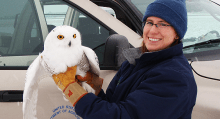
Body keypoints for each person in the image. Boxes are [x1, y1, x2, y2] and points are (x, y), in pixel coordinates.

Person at [52, 0, 197, 118]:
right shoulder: (135, 61)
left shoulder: (174, 77)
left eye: (163, 24)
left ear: (177, 33)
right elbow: (112, 104)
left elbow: (122, 116)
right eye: (149, 22)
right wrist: (90, 83)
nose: (153, 30)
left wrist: (74, 92)